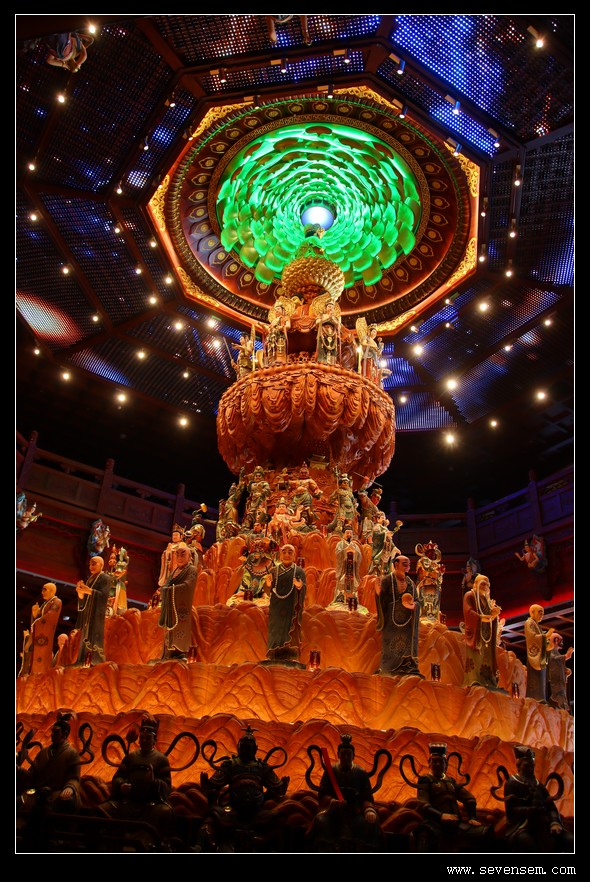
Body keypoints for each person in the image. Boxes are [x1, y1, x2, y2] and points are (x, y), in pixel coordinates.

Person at [197, 726, 289, 852]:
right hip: (233, 812)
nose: (246, 750)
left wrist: (283, 785)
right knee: (210, 818)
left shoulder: (262, 767)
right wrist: (206, 783)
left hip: (257, 813)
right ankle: (202, 846)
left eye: (249, 748)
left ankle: (264, 841)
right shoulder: (231, 765)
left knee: (279, 819)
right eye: (244, 747)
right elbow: (214, 785)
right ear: (238, 747)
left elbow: (277, 789)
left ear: (256, 749)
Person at [98, 716, 178, 848]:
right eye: (142, 737)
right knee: (104, 809)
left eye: (148, 738)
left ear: (154, 740)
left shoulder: (161, 759)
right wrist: (121, 785)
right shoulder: (131, 757)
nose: (144, 741)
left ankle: (149, 844)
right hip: (128, 802)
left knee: (165, 811)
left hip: (150, 805)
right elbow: (118, 776)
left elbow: (166, 786)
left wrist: (154, 782)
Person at [307, 733, 384, 852]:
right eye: (343, 754)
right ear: (338, 755)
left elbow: (367, 797)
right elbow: (323, 793)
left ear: (354, 756)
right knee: (320, 821)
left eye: (349, 754)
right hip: (333, 813)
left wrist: (369, 810)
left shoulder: (361, 773)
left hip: (355, 813)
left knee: (371, 823)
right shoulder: (331, 771)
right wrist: (332, 802)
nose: (346, 757)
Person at [412, 743, 494, 853]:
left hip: (455, 824)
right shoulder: (425, 780)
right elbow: (423, 804)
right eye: (434, 761)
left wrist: (472, 817)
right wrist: (441, 815)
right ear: (429, 763)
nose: (438, 764)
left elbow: (469, 798)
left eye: (441, 762)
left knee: (484, 833)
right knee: (424, 835)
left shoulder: (451, 781)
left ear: (446, 764)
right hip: (434, 824)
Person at [503, 746, 573, 852]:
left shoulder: (539, 785)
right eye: (527, 766)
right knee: (527, 842)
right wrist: (530, 810)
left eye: (532, 766)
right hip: (522, 826)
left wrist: (554, 822)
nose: (530, 769)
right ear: (518, 766)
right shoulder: (511, 783)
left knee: (570, 839)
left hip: (544, 824)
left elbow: (551, 807)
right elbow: (511, 810)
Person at [17, 713, 81, 815]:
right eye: (52, 731)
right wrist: (19, 769)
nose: (52, 735)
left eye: (56, 732)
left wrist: (69, 787)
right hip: (37, 792)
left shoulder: (72, 753)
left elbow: (74, 777)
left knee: (67, 802)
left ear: (64, 734)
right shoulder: (43, 752)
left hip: (56, 793)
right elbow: (32, 775)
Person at [375, 554, 422, 677]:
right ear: (396, 565)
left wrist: (414, 606)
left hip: (407, 623)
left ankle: (406, 668)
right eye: (404, 564)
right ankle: (387, 670)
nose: (407, 567)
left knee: (406, 648)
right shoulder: (387, 580)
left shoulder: (410, 583)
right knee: (390, 647)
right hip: (391, 623)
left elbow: (417, 601)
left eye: (409, 565)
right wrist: (378, 594)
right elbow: (382, 599)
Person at [264, 543, 306, 665]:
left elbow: (304, 589)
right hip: (276, 608)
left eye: (290, 552)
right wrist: (267, 584)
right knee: (275, 630)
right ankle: (273, 654)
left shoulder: (299, 571)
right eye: (284, 552)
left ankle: (291, 655)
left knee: (291, 630)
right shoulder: (274, 571)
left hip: (291, 607)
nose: (287, 554)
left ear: (294, 555)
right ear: (280, 555)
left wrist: (300, 586)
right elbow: (268, 591)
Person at [157, 543, 198, 661]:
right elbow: (166, 584)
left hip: (181, 607)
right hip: (171, 607)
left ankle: (180, 652)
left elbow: (188, 586)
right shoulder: (174, 571)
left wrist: (171, 590)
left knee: (180, 628)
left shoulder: (192, 570)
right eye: (177, 555)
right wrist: (165, 589)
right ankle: (167, 654)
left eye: (183, 555)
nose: (180, 558)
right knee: (168, 630)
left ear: (189, 557)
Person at [462, 573, 503, 690]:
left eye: (487, 585)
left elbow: (489, 615)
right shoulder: (470, 595)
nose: (485, 587)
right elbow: (468, 612)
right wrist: (481, 618)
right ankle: (473, 679)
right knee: (475, 656)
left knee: (487, 657)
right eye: (483, 584)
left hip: (486, 632)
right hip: (476, 632)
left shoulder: (485, 599)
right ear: (476, 584)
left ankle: (488, 680)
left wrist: (494, 613)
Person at [72, 555, 111, 666]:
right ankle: (82, 660)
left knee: (94, 636)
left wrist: (89, 591)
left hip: (96, 613)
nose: (91, 566)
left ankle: (94, 660)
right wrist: (80, 593)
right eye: (90, 564)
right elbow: (84, 600)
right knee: (84, 636)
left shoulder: (105, 578)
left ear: (101, 565)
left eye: (94, 564)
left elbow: (104, 596)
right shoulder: (90, 579)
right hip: (88, 613)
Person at [19, 581, 62, 676]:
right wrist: (35, 614)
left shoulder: (57, 602)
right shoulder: (45, 604)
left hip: (45, 635)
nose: (42, 592)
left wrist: (36, 622)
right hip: (39, 634)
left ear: (52, 591)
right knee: (31, 652)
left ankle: (39, 674)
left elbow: (50, 616)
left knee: (42, 656)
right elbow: (40, 617)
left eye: (44, 590)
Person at [524, 604, 550, 702]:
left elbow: (540, 638)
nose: (541, 615)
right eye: (539, 613)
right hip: (534, 654)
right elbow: (532, 637)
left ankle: (541, 697)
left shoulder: (536, 625)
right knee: (535, 678)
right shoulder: (529, 623)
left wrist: (546, 640)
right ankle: (534, 696)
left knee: (541, 678)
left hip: (540, 655)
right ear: (532, 612)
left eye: (542, 614)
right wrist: (545, 636)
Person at [332, 526, 362, 607]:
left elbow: (359, 556)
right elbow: (338, 554)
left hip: (352, 570)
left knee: (353, 584)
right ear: (343, 534)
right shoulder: (340, 544)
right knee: (342, 583)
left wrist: (355, 553)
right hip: (343, 569)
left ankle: (353, 600)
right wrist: (345, 551)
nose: (349, 535)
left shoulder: (355, 545)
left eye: (350, 533)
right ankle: (340, 598)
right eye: (347, 533)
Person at [547, 631, 573, 712]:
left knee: (562, 695)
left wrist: (566, 671)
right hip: (556, 681)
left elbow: (559, 666)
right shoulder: (550, 651)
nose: (562, 643)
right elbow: (553, 660)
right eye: (561, 641)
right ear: (556, 640)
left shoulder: (556, 652)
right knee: (558, 695)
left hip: (560, 680)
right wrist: (565, 656)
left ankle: (563, 709)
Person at [157, 524, 185, 589]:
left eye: (176, 535)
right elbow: (165, 555)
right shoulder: (170, 545)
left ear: (181, 537)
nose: (174, 537)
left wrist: (172, 552)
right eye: (173, 535)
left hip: (175, 566)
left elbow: (182, 556)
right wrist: (166, 553)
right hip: (168, 567)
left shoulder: (182, 545)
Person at [315, 299, 341, 365]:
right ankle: (322, 362)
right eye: (329, 306)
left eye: (332, 307)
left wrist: (333, 320)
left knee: (333, 349)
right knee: (322, 348)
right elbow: (317, 322)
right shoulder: (322, 315)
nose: (331, 308)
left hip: (332, 335)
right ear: (325, 308)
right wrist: (327, 318)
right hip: (323, 333)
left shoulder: (335, 318)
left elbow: (339, 326)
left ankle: (332, 363)